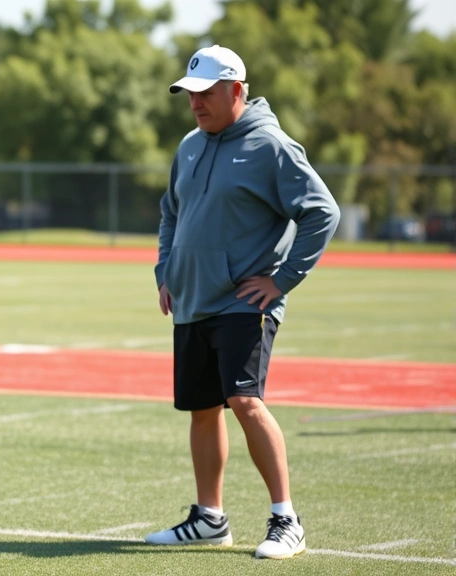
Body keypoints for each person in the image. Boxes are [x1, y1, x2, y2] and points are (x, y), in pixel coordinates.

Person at [145, 45, 340, 560]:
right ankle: (210, 518)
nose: (196, 104)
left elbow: (323, 211)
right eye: (190, 95)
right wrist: (167, 269)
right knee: (203, 410)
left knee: (245, 401)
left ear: (236, 90)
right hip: (191, 301)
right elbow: (170, 212)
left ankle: (286, 519)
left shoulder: (271, 146)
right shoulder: (188, 145)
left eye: (206, 93)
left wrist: (282, 281)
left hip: (243, 304)